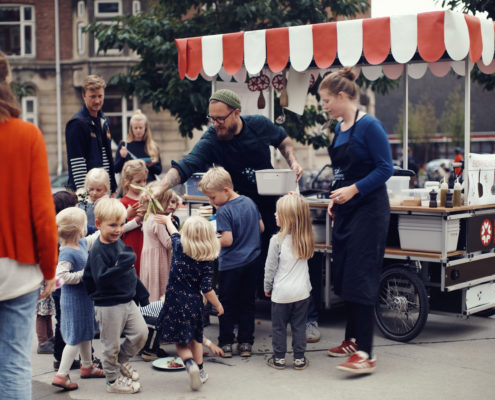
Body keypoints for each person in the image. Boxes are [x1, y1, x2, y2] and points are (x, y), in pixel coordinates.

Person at [152, 88, 303, 308]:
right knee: (234, 262)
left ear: (236, 113)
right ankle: (233, 311)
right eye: (212, 118)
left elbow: (282, 139)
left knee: (276, 251)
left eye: (220, 118)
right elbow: (187, 165)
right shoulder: (212, 138)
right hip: (232, 208)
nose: (216, 123)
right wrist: (161, 186)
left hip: (268, 202)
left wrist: (293, 163)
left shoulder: (258, 125)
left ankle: (289, 307)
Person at [319, 67, 393, 374]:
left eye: (325, 101)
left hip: (370, 211)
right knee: (346, 275)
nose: (323, 106)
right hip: (347, 209)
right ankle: (351, 340)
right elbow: (341, 171)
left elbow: (386, 168)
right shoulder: (339, 128)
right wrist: (335, 196)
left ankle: (366, 354)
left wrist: (354, 189)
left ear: (341, 96)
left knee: (361, 277)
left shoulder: (370, 126)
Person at [0, 51, 58, 399]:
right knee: (15, 362)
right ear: (6, 82)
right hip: (18, 270)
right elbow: (42, 213)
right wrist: (50, 269)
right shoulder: (27, 135)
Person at [82, 198, 149, 394]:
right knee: (110, 345)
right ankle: (112, 381)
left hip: (127, 300)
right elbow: (101, 278)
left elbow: (129, 272)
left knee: (141, 334)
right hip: (108, 305)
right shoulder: (98, 251)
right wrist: (121, 266)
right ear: (98, 225)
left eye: (121, 224)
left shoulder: (118, 242)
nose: (118, 229)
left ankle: (120, 362)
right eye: (112, 225)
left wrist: (142, 293)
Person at [198, 166, 264, 358]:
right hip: (252, 262)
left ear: (225, 190)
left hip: (231, 265)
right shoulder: (250, 202)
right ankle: (245, 342)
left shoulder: (224, 211)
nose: (211, 202)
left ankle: (226, 341)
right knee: (247, 302)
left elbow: (227, 240)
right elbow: (261, 228)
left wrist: (210, 239)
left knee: (225, 303)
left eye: (212, 197)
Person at [156, 215, 223, 391]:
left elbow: (173, 232)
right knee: (195, 337)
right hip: (194, 303)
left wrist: (167, 220)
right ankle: (200, 370)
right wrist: (217, 305)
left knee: (180, 342)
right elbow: (208, 289)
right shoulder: (208, 262)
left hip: (174, 301)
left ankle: (189, 364)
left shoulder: (179, 247)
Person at [52, 207, 105, 391]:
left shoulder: (80, 243)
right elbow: (61, 277)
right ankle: (61, 374)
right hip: (74, 301)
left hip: (84, 299)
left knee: (86, 331)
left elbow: (94, 238)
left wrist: (108, 226)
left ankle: (87, 365)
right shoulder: (66, 252)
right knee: (75, 337)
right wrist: (84, 274)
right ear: (77, 229)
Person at [264, 194, 314, 371]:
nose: (275, 214)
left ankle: (279, 359)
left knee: (279, 328)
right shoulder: (306, 239)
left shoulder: (276, 241)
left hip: (281, 294)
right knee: (299, 326)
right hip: (301, 293)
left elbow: (270, 268)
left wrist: (267, 286)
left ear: (288, 218)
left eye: (279, 212)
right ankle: (299, 359)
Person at [66, 74, 117, 194]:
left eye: (100, 96)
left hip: (104, 191)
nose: (97, 101)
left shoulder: (104, 120)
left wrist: (112, 189)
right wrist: (83, 199)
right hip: (87, 194)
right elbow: (77, 164)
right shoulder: (77, 124)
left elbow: (107, 158)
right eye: (92, 96)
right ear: (84, 96)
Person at [52, 191, 82, 371]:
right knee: (66, 320)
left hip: (59, 287)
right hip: (63, 287)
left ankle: (61, 357)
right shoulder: (63, 236)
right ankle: (60, 357)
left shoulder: (58, 232)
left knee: (63, 320)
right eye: (75, 206)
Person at [140, 182, 174, 301]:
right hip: (158, 260)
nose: (169, 204)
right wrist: (179, 233)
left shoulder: (147, 217)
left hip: (148, 259)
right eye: (167, 201)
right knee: (159, 286)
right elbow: (168, 243)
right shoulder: (157, 221)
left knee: (150, 284)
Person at [114, 109, 162, 183]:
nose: (138, 130)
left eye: (140, 127)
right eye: (135, 128)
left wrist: (151, 165)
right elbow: (116, 169)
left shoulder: (152, 146)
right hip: (130, 187)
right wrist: (122, 158)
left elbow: (159, 171)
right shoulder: (124, 145)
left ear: (145, 128)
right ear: (131, 129)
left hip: (149, 186)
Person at [120, 159, 148, 277]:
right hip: (131, 243)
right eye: (138, 181)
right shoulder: (123, 202)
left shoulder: (147, 198)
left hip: (146, 242)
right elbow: (120, 228)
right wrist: (136, 221)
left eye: (144, 181)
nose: (142, 185)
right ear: (127, 182)